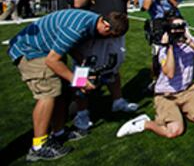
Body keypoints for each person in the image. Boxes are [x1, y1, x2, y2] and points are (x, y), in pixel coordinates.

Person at [7, 9, 128, 161]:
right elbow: (52, 61)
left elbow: (68, 45)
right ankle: (38, 146)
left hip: (47, 50)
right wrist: (80, 82)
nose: (107, 40)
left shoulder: (90, 21)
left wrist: (83, 63)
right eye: (110, 36)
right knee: (48, 93)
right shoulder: (77, 28)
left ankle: (58, 133)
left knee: (61, 91)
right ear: (105, 27)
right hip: (32, 51)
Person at [71, 0, 137, 137]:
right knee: (82, 71)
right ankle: (81, 112)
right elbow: (78, 2)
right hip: (93, 35)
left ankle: (117, 100)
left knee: (113, 68)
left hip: (116, 34)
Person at [116, 18, 194, 138]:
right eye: (175, 27)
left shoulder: (192, 41)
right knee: (174, 132)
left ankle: (180, 111)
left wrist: (188, 42)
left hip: (188, 91)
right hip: (166, 95)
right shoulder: (162, 48)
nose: (179, 30)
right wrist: (170, 46)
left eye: (181, 26)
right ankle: (144, 123)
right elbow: (170, 73)